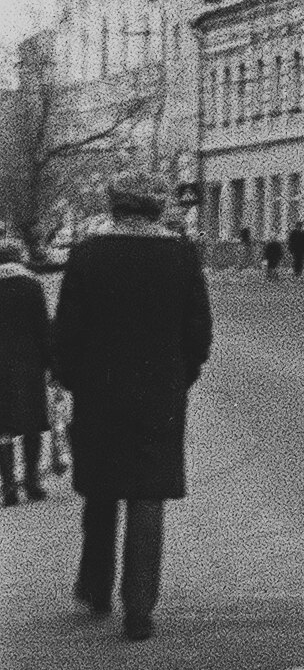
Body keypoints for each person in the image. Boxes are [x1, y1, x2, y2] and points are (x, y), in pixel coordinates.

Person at [50, 171, 213, 642]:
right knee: (148, 493)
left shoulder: (86, 255)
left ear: (115, 206)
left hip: (98, 391)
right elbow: (198, 330)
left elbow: (67, 329)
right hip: (159, 392)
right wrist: (181, 375)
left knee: (102, 486)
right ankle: (139, 608)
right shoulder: (181, 256)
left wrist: (70, 378)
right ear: (157, 209)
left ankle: (95, 585)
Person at [1, 240, 53, 507]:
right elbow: (42, 327)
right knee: (32, 423)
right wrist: (52, 363)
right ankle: (32, 482)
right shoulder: (31, 285)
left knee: (4, 426)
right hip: (29, 363)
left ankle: (8, 485)